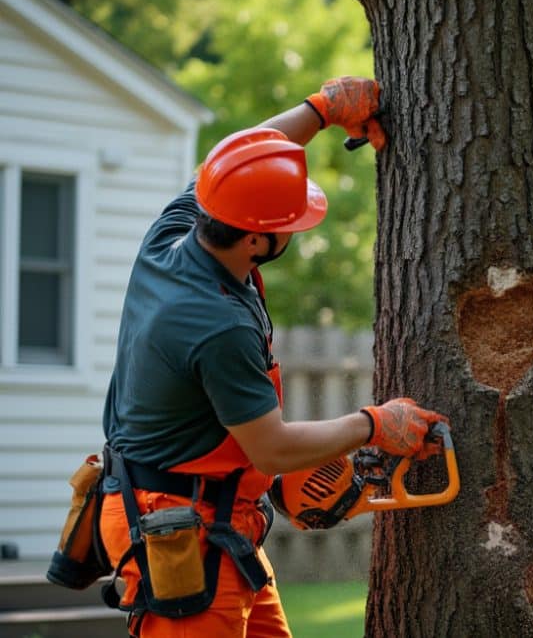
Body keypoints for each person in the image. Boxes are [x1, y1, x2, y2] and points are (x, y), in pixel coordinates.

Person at [97, 76, 446, 637]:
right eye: (289, 223)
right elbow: (274, 447)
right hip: (182, 532)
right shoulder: (217, 325)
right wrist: (375, 424)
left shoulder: (178, 231)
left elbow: (234, 161)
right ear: (257, 240)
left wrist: (321, 110)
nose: (295, 229)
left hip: (219, 524)